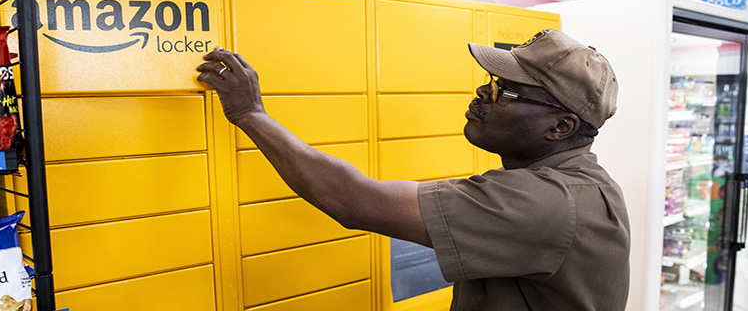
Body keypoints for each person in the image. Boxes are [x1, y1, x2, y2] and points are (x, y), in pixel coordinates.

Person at [196, 28, 630, 311]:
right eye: (491, 81)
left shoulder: (548, 203)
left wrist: (250, 113)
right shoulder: (581, 186)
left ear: (561, 126)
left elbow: (353, 200)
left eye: (507, 92)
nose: (483, 92)